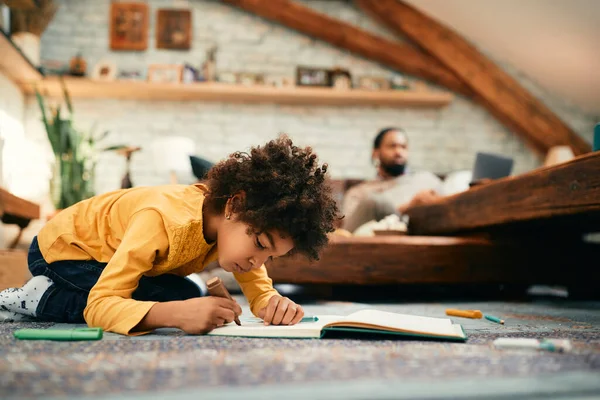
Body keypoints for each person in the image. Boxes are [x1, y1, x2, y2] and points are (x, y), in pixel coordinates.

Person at [0, 135, 340, 335]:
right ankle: (40, 296)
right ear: (234, 205)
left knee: (190, 293)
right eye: (261, 246)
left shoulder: (234, 229)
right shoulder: (162, 221)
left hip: (112, 256)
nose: (257, 262)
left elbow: (259, 287)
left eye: (269, 258)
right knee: (172, 305)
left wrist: (270, 303)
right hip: (66, 250)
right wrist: (176, 316)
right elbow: (100, 306)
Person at [342, 127, 442, 233]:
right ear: (376, 153)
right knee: (374, 202)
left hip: (429, 238)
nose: (399, 152)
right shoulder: (360, 193)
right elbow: (348, 234)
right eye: (392, 146)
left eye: (403, 147)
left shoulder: (427, 180)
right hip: (382, 244)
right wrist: (408, 207)